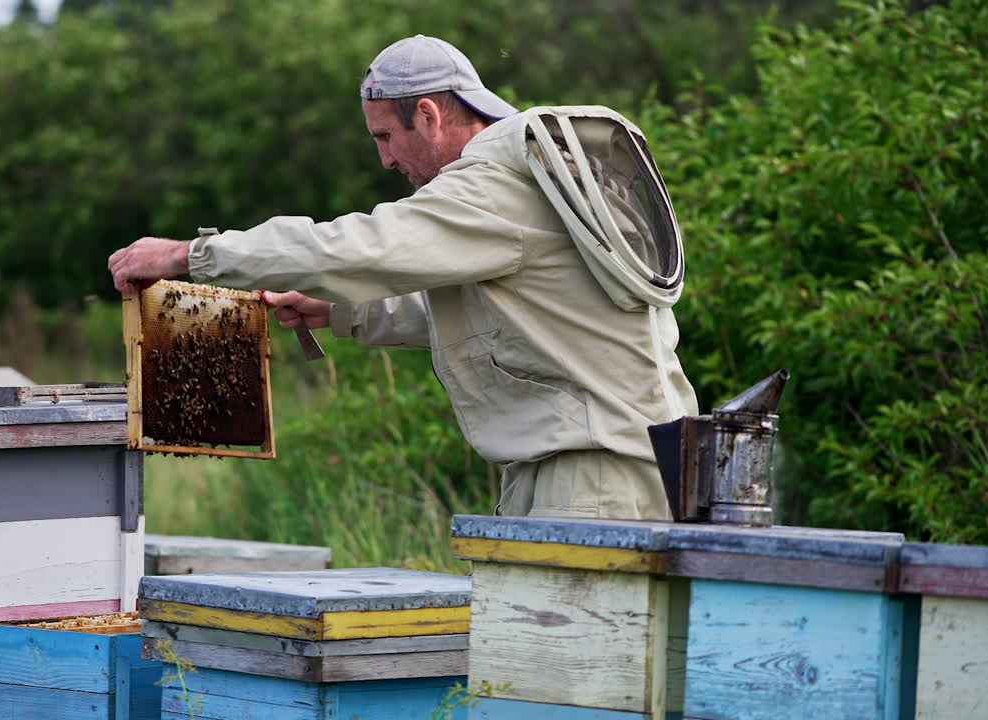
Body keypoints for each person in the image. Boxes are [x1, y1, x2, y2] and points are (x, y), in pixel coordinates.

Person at [108, 35, 698, 520]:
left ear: (428, 115)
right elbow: (497, 317)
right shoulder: (524, 183)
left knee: (573, 666)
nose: (386, 160)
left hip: (596, 478)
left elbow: (355, 246)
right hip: (594, 465)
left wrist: (190, 255)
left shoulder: (496, 183)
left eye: (385, 137)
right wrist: (343, 311)